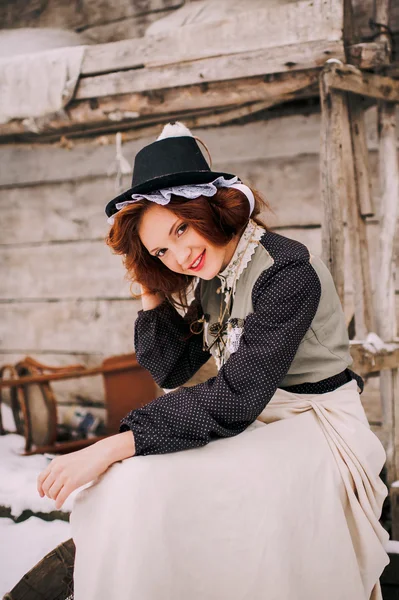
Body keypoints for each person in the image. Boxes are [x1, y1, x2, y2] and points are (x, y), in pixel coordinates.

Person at [37, 122, 389, 600]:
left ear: (207, 205)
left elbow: (237, 396)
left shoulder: (285, 272)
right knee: (125, 485)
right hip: (257, 418)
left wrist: (113, 443)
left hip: (316, 426)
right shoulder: (214, 275)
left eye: (181, 228)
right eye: (161, 249)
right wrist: (149, 282)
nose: (180, 255)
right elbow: (170, 367)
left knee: (149, 483)